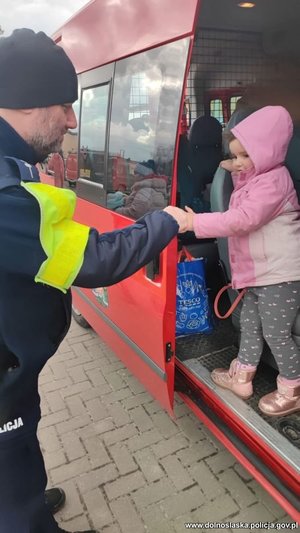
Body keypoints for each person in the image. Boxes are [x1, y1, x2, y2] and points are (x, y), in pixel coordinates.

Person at [0, 29, 188, 533]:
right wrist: (166, 220)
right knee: (11, 491)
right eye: (63, 105)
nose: (72, 120)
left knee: (22, 448)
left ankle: (30, 500)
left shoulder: (13, 165)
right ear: (22, 103)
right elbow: (95, 259)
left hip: (12, 367)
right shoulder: (2, 191)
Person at [183, 106, 300, 416]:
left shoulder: (274, 182)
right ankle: (243, 376)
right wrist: (236, 165)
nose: (238, 164)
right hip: (258, 273)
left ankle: (292, 388)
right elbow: (244, 175)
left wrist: (196, 224)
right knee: (249, 323)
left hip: (280, 275)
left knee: (277, 333)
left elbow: (243, 219)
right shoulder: (256, 176)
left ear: (268, 152)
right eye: (234, 156)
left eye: (245, 156)